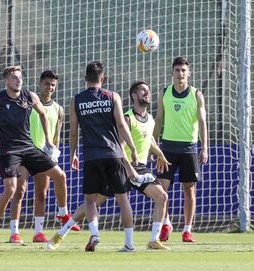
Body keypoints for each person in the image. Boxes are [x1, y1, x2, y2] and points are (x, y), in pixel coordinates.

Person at [48, 81, 172, 251]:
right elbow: (119, 145)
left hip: (139, 167)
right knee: (93, 203)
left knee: (161, 197)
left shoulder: (149, 118)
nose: (147, 93)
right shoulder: (127, 118)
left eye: (148, 90)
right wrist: (129, 169)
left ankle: (154, 240)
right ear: (134, 95)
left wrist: (160, 154)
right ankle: (61, 232)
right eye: (143, 90)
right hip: (122, 165)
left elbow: (149, 139)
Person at [52, 61, 138, 252]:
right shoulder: (112, 96)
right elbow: (122, 125)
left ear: (85, 78)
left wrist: (72, 153)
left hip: (92, 156)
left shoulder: (76, 100)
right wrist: (132, 148)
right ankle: (129, 243)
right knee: (123, 200)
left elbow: (73, 131)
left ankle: (95, 232)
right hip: (115, 154)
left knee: (90, 200)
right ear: (103, 78)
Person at [0, 65, 67, 245]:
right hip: (9, 151)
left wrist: (49, 141)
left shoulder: (30, 96)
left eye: (20, 77)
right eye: (14, 78)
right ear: (6, 81)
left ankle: (63, 213)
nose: (18, 80)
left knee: (60, 176)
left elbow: (43, 114)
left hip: (29, 148)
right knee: (12, 189)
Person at [8, 70, 80, 244]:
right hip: (25, 153)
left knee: (42, 193)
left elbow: (57, 135)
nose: (50, 87)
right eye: (47, 84)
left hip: (43, 155)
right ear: (40, 84)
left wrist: (59, 152)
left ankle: (38, 232)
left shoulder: (58, 109)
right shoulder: (29, 102)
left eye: (53, 85)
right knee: (19, 191)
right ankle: (14, 232)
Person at [153, 57, 208, 243]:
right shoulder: (165, 93)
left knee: (189, 190)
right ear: (172, 73)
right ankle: (166, 223)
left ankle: (187, 230)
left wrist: (204, 147)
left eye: (184, 70)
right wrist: (153, 144)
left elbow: (202, 123)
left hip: (189, 148)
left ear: (189, 73)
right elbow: (159, 119)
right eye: (177, 70)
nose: (180, 74)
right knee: (161, 190)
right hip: (167, 148)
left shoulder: (196, 94)